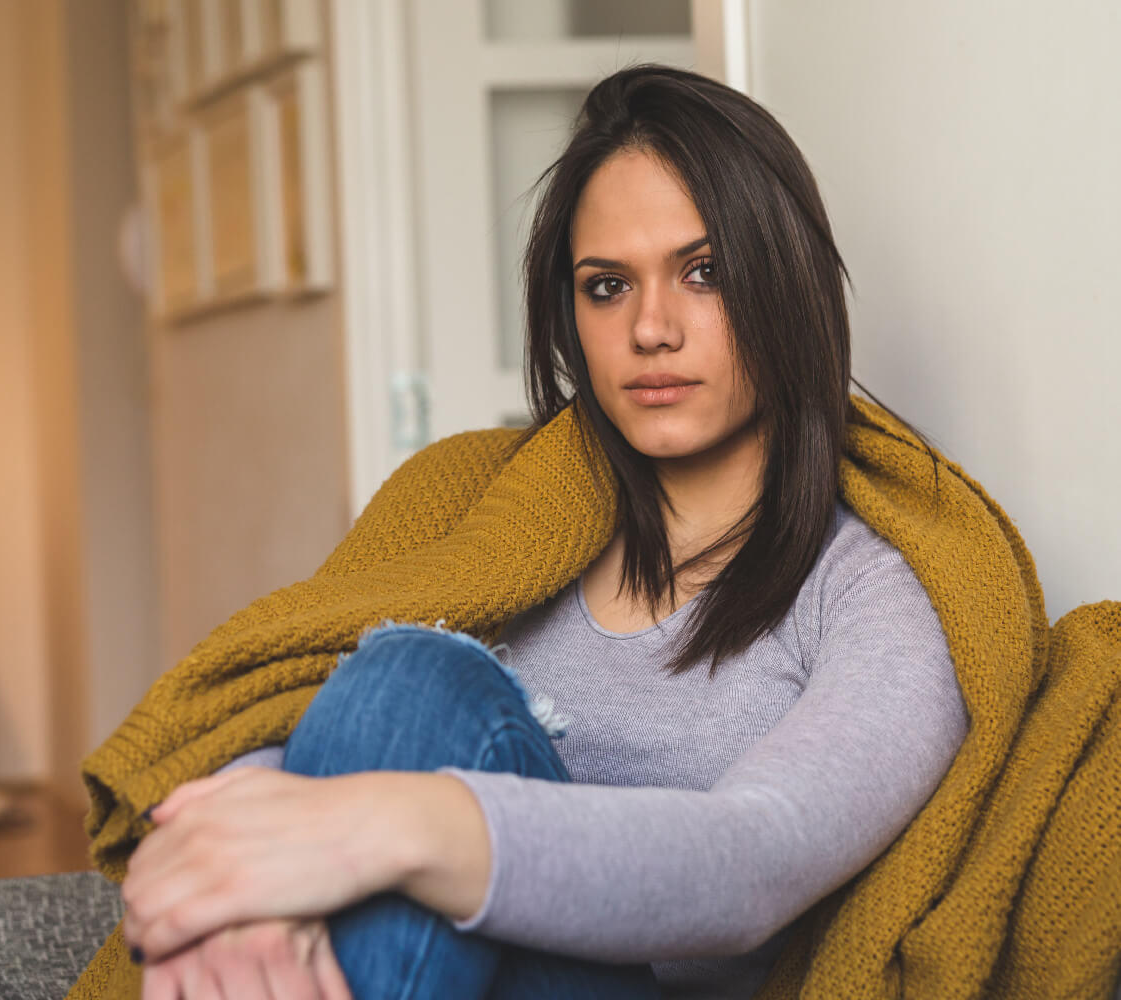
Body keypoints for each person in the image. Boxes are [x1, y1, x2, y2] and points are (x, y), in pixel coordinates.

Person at [116, 64, 968, 1000]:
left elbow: (752, 863)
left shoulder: (871, 591)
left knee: (418, 675)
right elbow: (299, 710)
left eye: (705, 272)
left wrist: (385, 827)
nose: (651, 328)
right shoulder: (477, 506)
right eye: (607, 286)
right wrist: (240, 868)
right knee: (396, 683)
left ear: (786, 280)